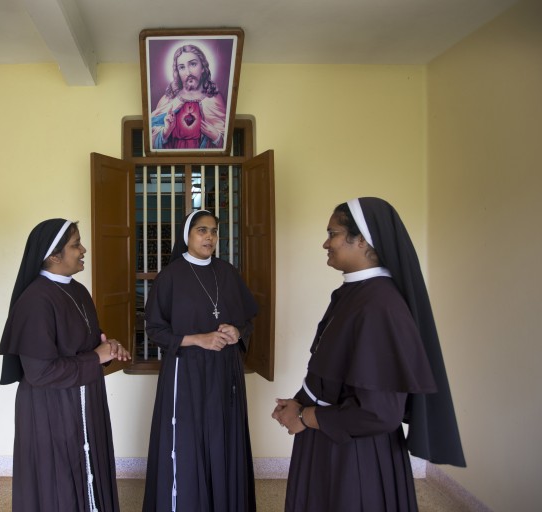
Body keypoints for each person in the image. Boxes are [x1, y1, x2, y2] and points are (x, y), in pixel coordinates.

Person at [271, 197, 466, 511]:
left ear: (360, 239)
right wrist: (299, 403)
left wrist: (307, 417)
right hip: (333, 442)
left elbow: (378, 413)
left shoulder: (379, 307)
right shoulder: (357, 293)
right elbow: (331, 371)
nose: (325, 243)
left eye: (332, 233)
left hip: (355, 458)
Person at [0, 219, 130, 512]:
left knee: (89, 471)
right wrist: (95, 357)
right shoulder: (35, 301)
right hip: (52, 410)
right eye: (75, 245)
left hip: (85, 401)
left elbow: (89, 345)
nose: (83, 249)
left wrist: (108, 349)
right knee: (59, 483)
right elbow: (41, 372)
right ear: (53, 255)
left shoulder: (79, 291)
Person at [142, 210, 259, 511]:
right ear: (187, 236)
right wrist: (197, 339)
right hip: (187, 372)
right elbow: (154, 329)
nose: (209, 237)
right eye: (201, 230)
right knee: (189, 442)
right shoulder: (170, 276)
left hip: (224, 372)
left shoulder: (228, 273)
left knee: (223, 438)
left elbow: (248, 319)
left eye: (214, 231)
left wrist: (237, 331)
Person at [150, 44, 227, 150]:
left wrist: (216, 136)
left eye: (193, 64)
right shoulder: (167, 100)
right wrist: (165, 131)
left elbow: (227, 144)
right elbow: (151, 143)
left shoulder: (214, 99)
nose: (188, 72)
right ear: (177, 72)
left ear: (203, 67)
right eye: (182, 67)